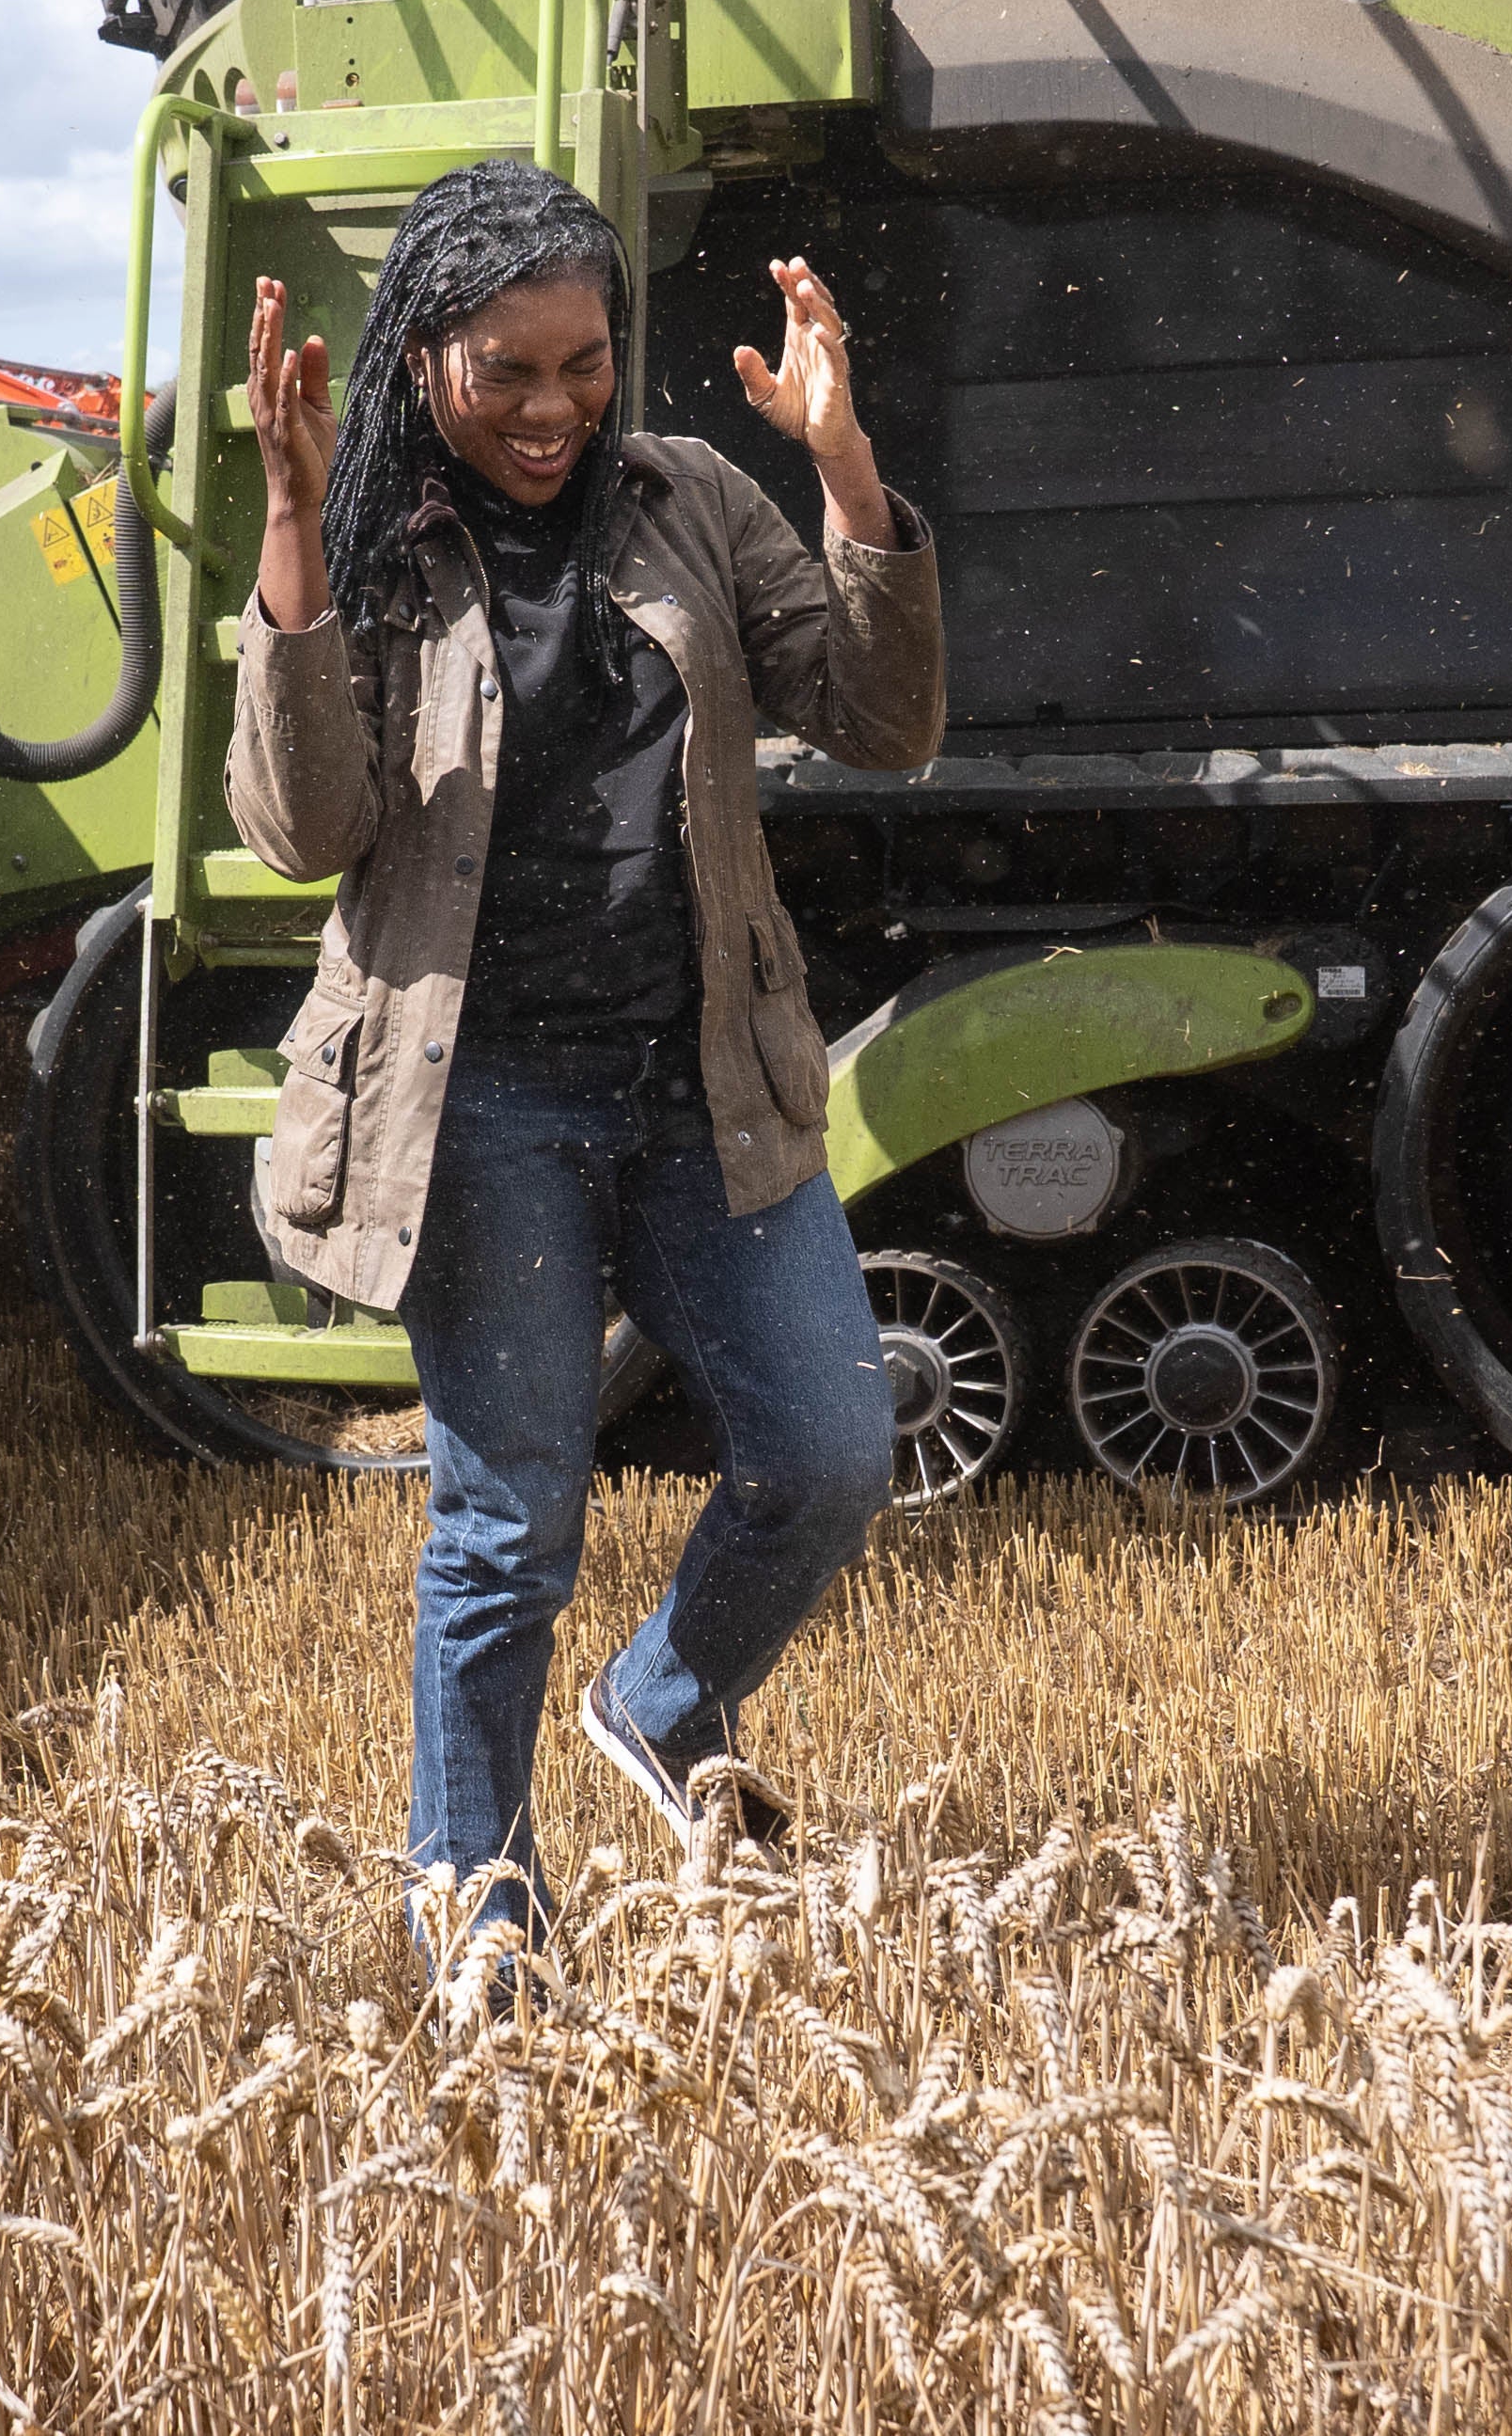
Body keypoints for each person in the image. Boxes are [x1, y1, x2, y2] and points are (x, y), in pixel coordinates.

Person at [228, 158, 943, 1950]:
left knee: (830, 1451)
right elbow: (304, 831)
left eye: (584, 363)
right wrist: (296, 525)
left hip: (705, 1079)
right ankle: (473, 1899)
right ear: (424, 362)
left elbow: (883, 720)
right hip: (480, 1105)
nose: (551, 408)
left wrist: (845, 465)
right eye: (507, 372)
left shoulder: (692, 499)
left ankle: (665, 1698)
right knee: (510, 1523)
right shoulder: (377, 545)